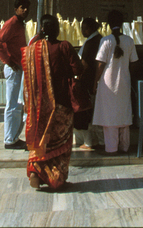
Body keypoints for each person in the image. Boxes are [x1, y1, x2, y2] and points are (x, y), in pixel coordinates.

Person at [23, 14, 83, 191]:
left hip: (39, 107)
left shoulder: (32, 49)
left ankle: (36, 171)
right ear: (57, 29)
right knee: (61, 142)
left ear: (41, 29)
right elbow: (77, 68)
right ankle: (56, 178)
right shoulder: (64, 46)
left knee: (43, 140)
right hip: (61, 104)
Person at [93, 10, 138, 154]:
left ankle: (111, 148)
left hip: (107, 85)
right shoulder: (129, 41)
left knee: (109, 117)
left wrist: (95, 82)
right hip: (124, 83)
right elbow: (134, 63)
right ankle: (125, 147)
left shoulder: (105, 41)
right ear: (122, 23)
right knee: (123, 115)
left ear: (108, 24)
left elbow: (100, 64)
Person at [0, 0, 31, 149]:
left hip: (18, 67)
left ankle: (13, 137)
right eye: (22, 7)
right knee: (13, 104)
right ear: (16, 9)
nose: (25, 10)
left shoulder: (20, 24)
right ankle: (9, 139)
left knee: (17, 104)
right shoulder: (12, 23)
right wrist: (8, 61)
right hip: (13, 68)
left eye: (27, 7)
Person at [72, 17, 103, 151]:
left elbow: (84, 64)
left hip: (90, 82)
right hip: (95, 81)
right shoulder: (99, 39)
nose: (82, 31)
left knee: (89, 113)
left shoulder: (91, 43)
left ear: (89, 29)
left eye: (84, 28)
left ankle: (91, 142)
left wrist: (77, 75)